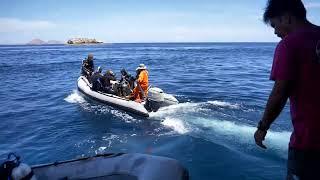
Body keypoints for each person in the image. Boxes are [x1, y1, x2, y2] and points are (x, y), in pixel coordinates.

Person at [254, 0, 320, 179]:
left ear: (287, 17)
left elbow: (280, 92)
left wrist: (262, 127)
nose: (275, 32)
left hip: (310, 144)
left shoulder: (289, 44)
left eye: (275, 25)